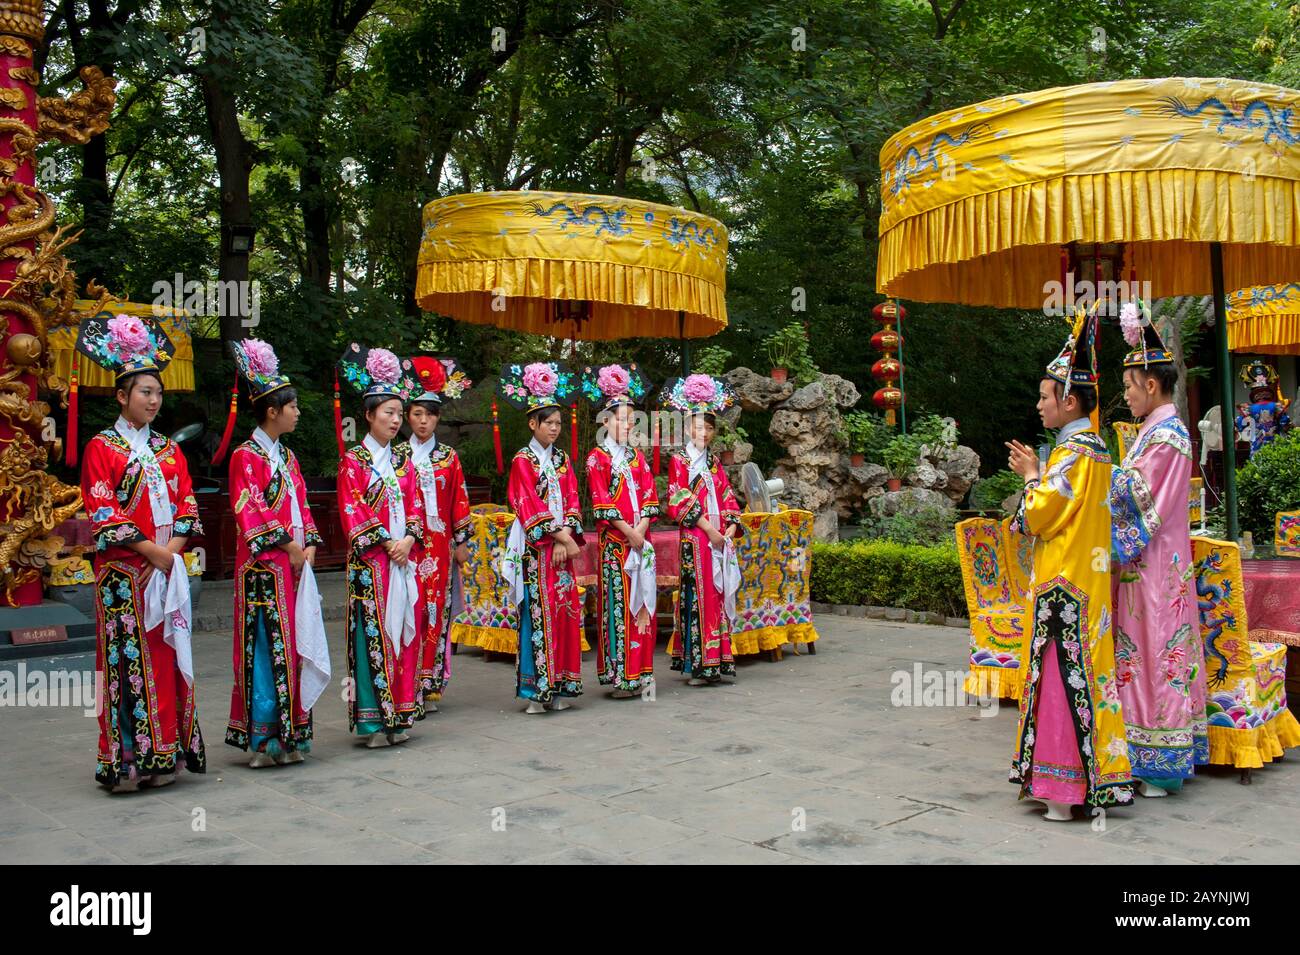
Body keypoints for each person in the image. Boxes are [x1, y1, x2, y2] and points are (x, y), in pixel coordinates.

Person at [1004, 306, 1134, 819]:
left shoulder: (1071, 455)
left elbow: (1038, 515)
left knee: (1061, 681)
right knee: (1091, 681)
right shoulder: (1099, 452)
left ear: (1070, 400)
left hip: (1063, 588)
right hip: (1089, 586)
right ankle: (1096, 780)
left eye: (1045, 396)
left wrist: (1031, 475)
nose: (1039, 404)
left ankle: (1062, 791)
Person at [76, 313, 205, 792]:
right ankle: (127, 759)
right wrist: (153, 552)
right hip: (124, 577)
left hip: (164, 571)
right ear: (121, 395)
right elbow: (103, 510)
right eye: (145, 392)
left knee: (168, 658)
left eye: (158, 392)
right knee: (128, 662)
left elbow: (188, 505)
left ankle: (166, 754)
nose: (153, 400)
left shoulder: (170, 451)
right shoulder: (100, 447)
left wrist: (170, 553)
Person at [222, 338, 329, 768]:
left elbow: (303, 506)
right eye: (293, 406)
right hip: (264, 569)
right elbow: (251, 510)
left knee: (297, 644)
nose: (298, 412)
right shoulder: (244, 457)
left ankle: (294, 734)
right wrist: (290, 547)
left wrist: (309, 549)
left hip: (296, 566)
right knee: (266, 647)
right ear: (272, 410)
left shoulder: (288, 457)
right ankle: (265, 737)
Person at [336, 344, 425, 746]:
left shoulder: (405, 462)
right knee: (371, 635)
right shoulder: (353, 461)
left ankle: (401, 714)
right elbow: (352, 508)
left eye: (397, 413)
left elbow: (417, 506)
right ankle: (374, 721)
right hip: (372, 566)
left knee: (404, 634)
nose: (394, 420)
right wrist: (387, 542)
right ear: (368, 416)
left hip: (401, 560)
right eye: (387, 412)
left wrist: (407, 539)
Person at [498, 360, 584, 714]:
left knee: (564, 612)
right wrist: (562, 538)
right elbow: (525, 502)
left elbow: (574, 497)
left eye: (558, 423)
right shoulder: (522, 460)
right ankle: (536, 691)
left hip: (562, 548)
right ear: (532, 423)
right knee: (537, 613)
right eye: (547, 423)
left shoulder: (562, 459)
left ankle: (561, 685)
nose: (554, 428)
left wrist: (568, 538)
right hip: (537, 549)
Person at [397, 356, 473, 711]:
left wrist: (462, 543)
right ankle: (404, 683)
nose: (423, 421)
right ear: (406, 417)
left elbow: (459, 500)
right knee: (407, 609)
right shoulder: (396, 457)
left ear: (438, 418)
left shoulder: (449, 458)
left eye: (430, 415)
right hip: (405, 548)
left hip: (439, 547)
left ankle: (429, 682)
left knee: (435, 610)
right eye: (416, 414)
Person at [582, 363, 660, 698]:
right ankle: (620, 676)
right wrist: (629, 532)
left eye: (631, 419)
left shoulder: (637, 459)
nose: (627, 424)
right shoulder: (595, 459)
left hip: (640, 542)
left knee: (643, 604)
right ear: (605, 421)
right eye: (620, 418)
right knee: (618, 604)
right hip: (616, 544)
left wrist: (641, 528)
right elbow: (602, 502)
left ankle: (641, 671)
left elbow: (649, 496)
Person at [662, 374, 742, 686]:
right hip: (696, 540)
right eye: (698, 426)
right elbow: (678, 500)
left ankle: (719, 661)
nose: (704, 433)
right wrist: (710, 529)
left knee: (717, 597)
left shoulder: (712, 464)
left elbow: (727, 495)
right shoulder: (679, 461)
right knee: (697, 598)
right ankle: (697, 664)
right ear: (687, 428)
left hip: (718, 540)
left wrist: (732, 525)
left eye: (709, 427)